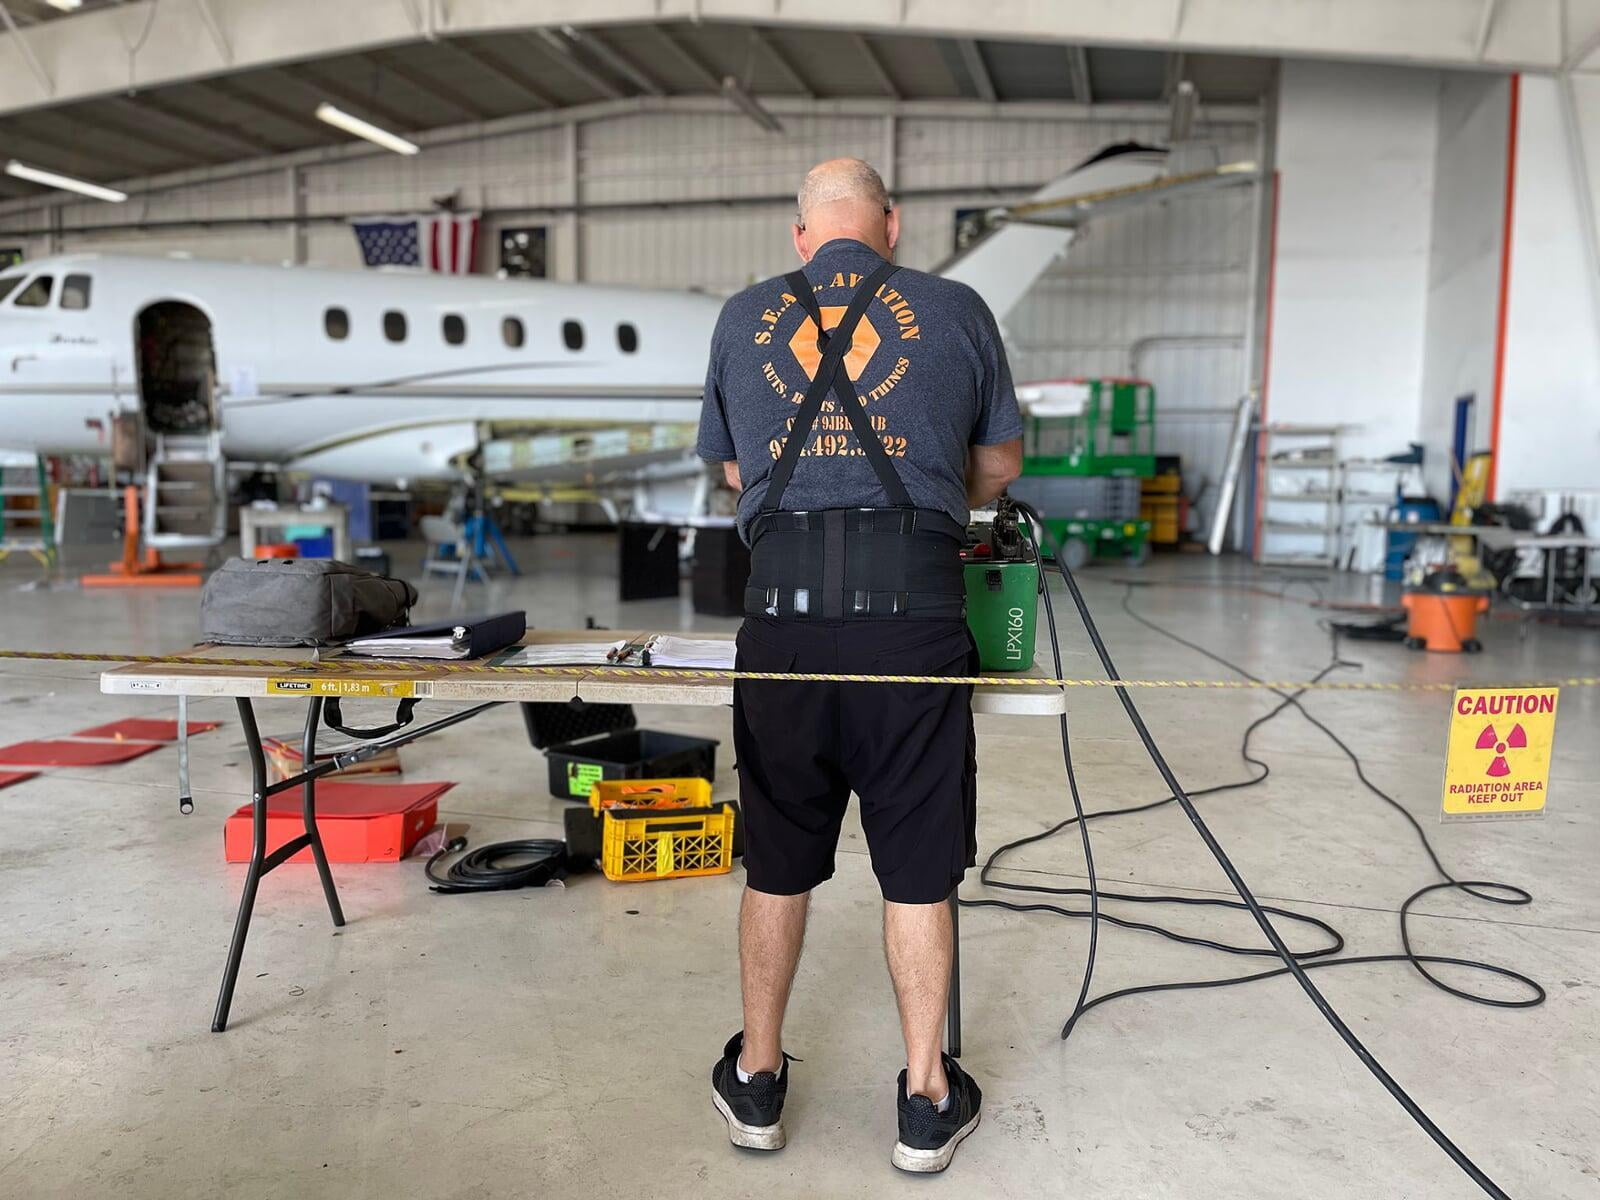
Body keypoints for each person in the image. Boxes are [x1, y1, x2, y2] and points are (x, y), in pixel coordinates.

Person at [696, 157, 1023, 1173]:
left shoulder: (744, 318)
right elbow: (1002, 464)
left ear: (802, 236)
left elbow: (732, 471)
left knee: (778, 853)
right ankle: (926, 1097)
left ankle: (756, 1079)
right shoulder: (955, 307)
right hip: (913, 622)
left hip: (781, 627)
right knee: (917, 869)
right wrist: (923, 473)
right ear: (891, 225)